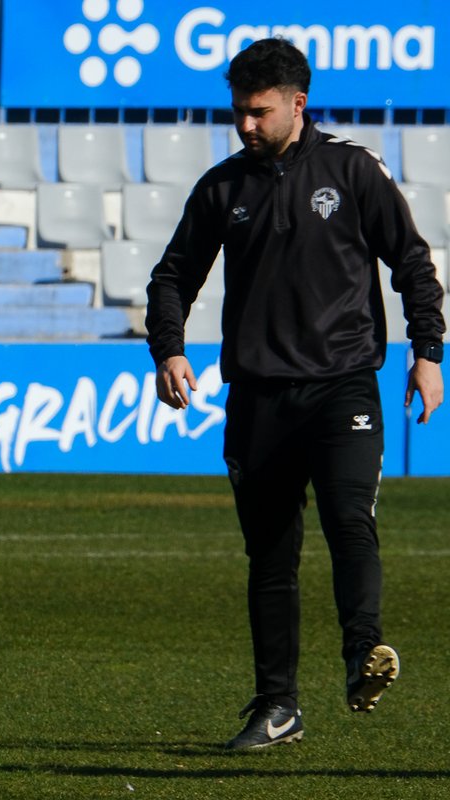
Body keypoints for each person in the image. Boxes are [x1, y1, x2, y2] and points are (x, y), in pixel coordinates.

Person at [145, 38, 445, 751]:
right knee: (271, 559)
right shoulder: (223, 187)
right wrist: (169, 347)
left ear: (297, 105)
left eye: (258, 112)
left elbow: (411, 262)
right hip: (256, 398)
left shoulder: (350, 170)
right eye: (238, 113)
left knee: (350, 520)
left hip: (343, 388)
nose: (245, 125)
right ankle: (276, 706)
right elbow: (173, 275)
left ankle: (362, 655)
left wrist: (427, 353)